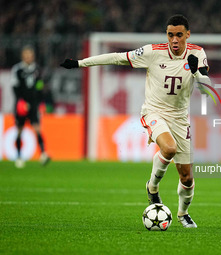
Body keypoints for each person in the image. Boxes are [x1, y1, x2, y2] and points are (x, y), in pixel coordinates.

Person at [61, 14, 210, 228]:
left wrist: (196, 72)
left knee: (186, 178)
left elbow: (207, 91)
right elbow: (116, 57)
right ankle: (153, 187)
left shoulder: (197, 53)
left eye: (179, 35)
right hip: (154, 112)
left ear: (188, 34)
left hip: (180, 118)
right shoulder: (152, 52)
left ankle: (182, 213)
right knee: (168, 148)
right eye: (170, 35)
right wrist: (79, 63)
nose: (174, 40)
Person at [11, 45, 51, 168]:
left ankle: (43, 154)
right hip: (22, 104)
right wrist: (21, 101)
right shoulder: (17, 70)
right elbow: (15, 87)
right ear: (22, 56)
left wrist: (41, 101)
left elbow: (39, 85)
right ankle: (18, 156)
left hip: (33, 104)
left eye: (30, 55)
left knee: (37, 128)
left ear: (33, 56)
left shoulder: (36, 69)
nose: (28, 57)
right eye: (26, 55)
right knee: (19, 130)